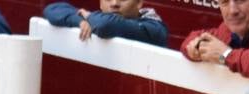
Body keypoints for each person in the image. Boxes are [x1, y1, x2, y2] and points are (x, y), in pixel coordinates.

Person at [42, 0, 171, 46]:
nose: (114, 3)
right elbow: (52, 9)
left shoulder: (155, 28)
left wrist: (89, 16)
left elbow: (106, 25)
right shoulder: (96, 19)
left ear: (139, 3)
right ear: (100, 3)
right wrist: (81, 21)